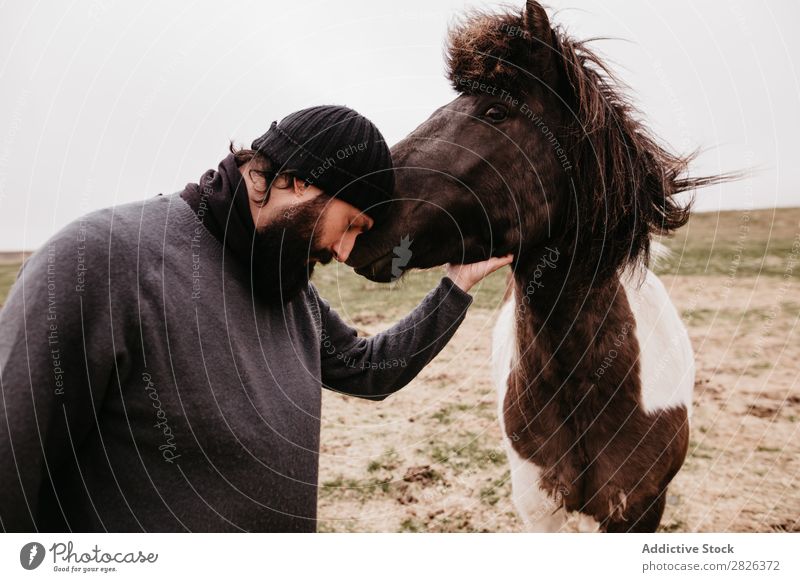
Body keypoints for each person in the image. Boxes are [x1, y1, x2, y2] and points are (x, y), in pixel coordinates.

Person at [0, 105, 512, 532]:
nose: (345, 250)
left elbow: (367, 368)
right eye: (350, 224)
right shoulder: (100, 260)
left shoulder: (288, 290)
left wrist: (457, 284)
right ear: (295, 179)